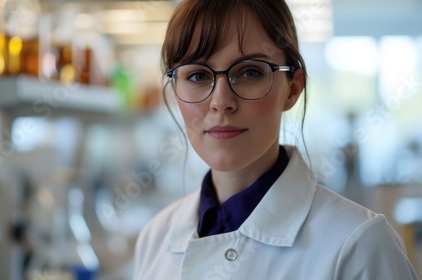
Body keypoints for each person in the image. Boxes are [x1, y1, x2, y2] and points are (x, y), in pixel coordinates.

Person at [133, 0, 419, 279]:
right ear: (173, 89)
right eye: (197, 76)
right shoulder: (154, 238)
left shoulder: (358, 245)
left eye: (249, 72)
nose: (221, 102)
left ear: (292, 88)